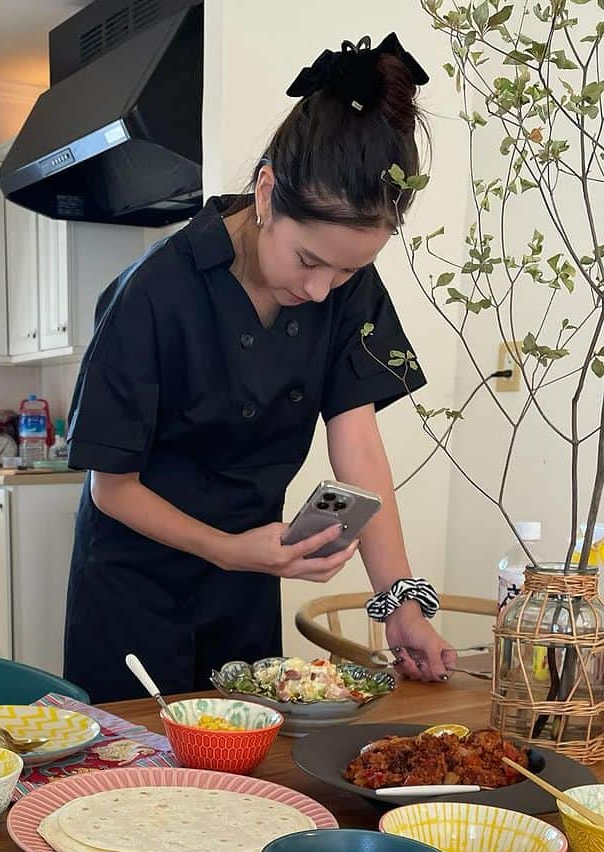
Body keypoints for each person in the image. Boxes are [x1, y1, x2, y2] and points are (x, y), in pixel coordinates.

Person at [62, 33, 455, 704]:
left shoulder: (343, 288)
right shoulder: (155, 293)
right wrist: (227, 548)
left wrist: (400, 605)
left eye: (350, 269)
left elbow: (357, 442)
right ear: (267, 193)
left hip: (245, 583)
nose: (324, 289)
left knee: (244, 782)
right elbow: (112, 488)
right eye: (308, 261)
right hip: (134, 586)